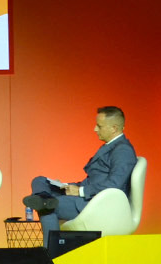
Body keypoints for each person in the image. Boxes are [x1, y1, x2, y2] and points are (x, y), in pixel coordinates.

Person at [22, 105, 138, 246]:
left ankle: (51, 254)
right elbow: (95, 179)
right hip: (85, 192)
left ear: (114, 128)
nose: (95, 129)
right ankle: (44, 198)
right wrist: (70, 187)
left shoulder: (123, 150)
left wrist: (81, 191)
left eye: (99, 126)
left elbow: (114, 185)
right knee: (40, 180)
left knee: (47, 208)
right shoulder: (110, 146)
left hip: (95, 203)